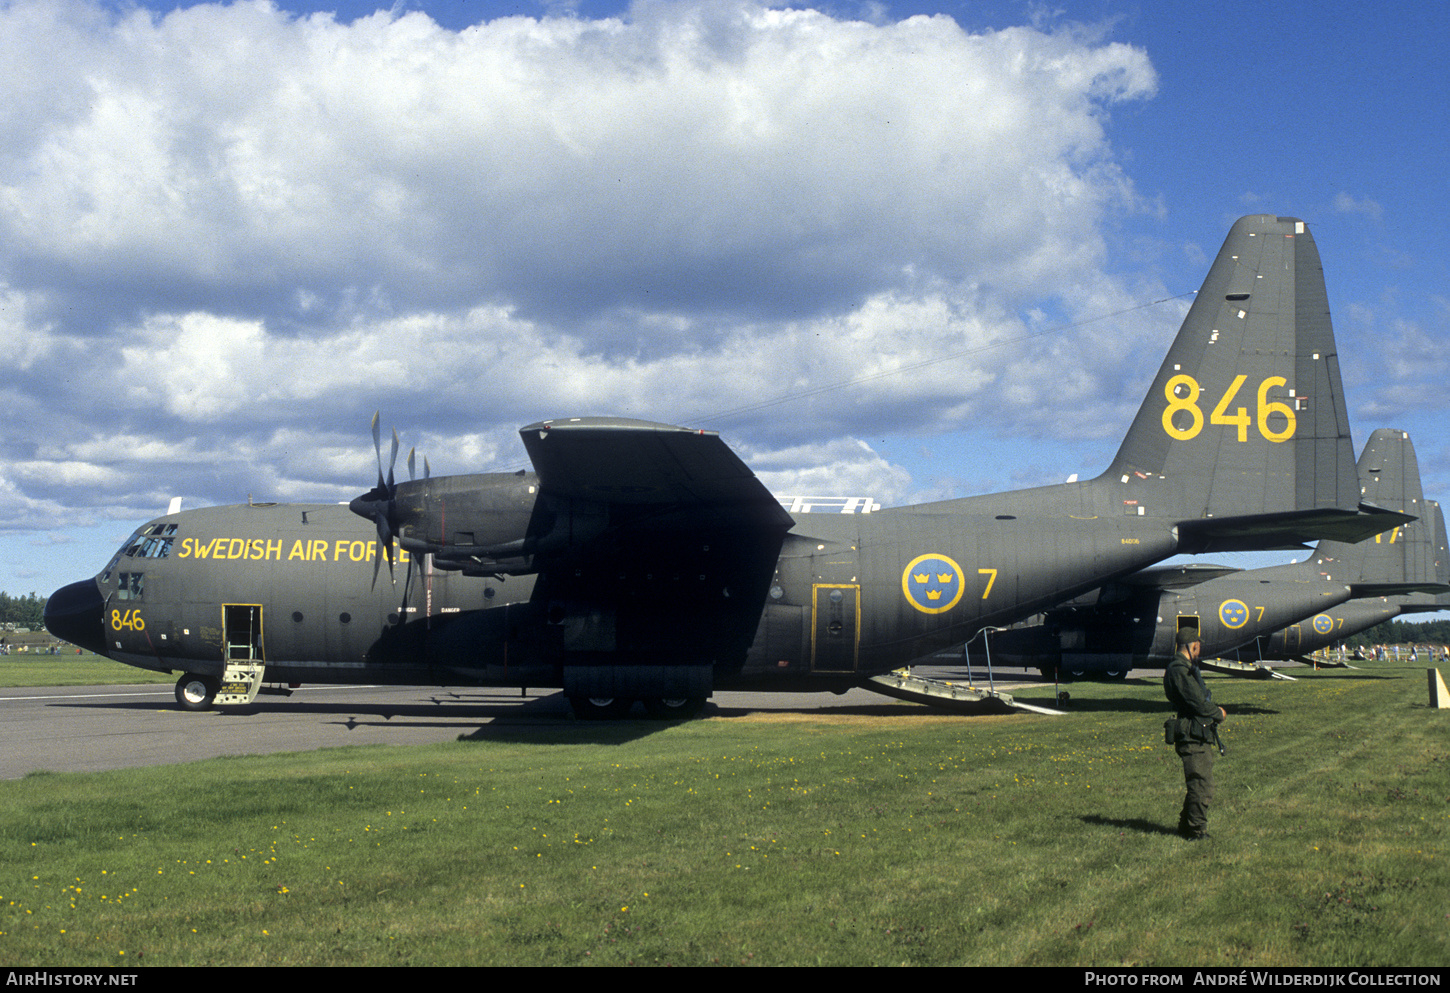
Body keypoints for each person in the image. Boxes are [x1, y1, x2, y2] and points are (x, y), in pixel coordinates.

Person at [1164, 629, 1226, 841]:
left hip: (1196, 732)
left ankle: (1186, 826)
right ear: (1192, 646)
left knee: (1198, 783)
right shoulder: (1179, 670)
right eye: (1198, 645)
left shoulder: (1185, 668)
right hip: (1192, 734)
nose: (1200, 649)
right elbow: (1197, 702)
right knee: (1201, 784)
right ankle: (1196, 831)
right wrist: (1218, 713)